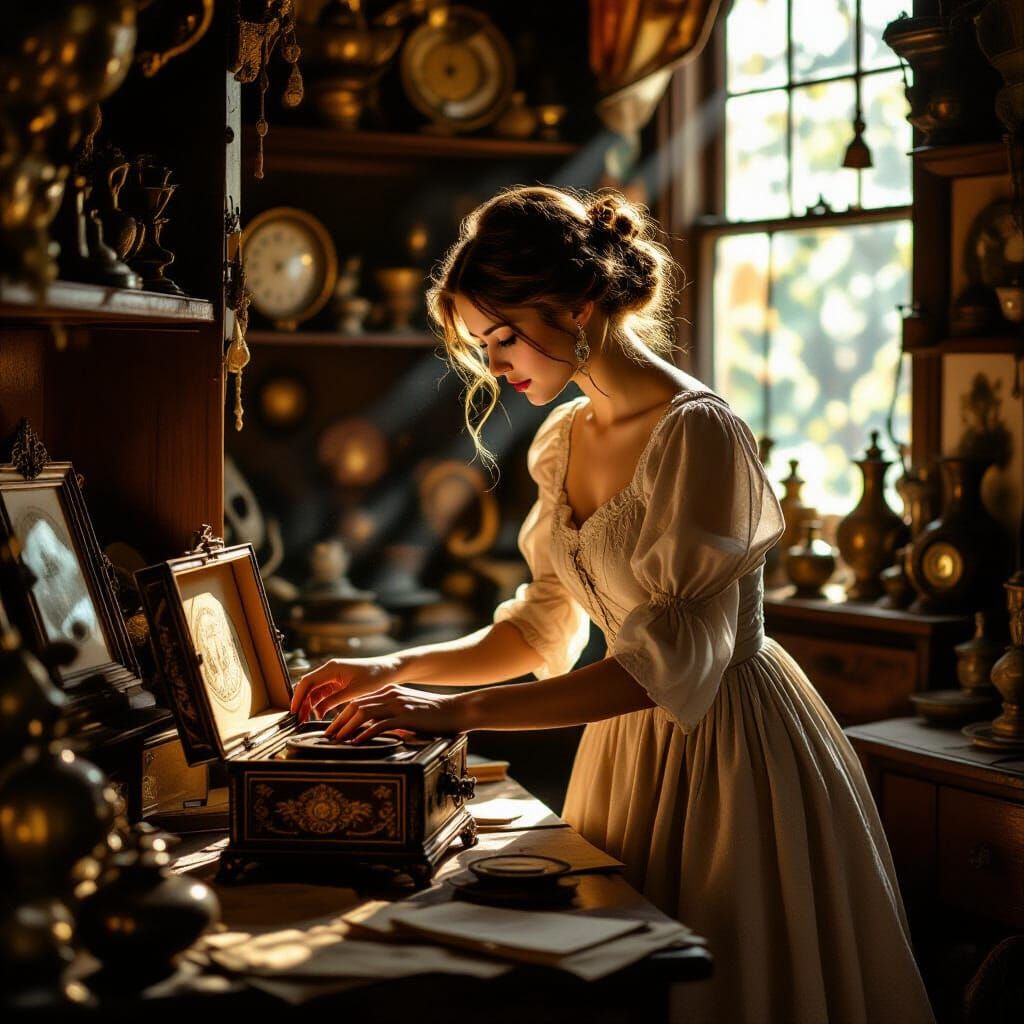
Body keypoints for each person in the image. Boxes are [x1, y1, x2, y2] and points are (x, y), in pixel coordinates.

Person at [290, 185, 935, 1024]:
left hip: (728, 750)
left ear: (581, 305)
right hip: (625, 752)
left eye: (505, 336)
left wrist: (453, 711)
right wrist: (394, 666)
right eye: (483, 345)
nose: (496, 364)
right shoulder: (563, 438)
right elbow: (542, 626)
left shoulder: (701, 433)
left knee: (726, 987)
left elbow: (662, 668)